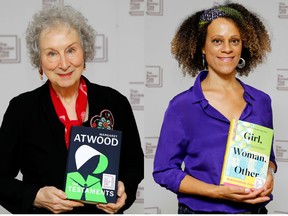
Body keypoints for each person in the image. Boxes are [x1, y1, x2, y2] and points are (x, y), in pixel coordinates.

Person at [0, 5, 144, 214]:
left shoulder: (114, 102)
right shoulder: (22, 109)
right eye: (52, 54)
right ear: (39, 61)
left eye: (71, 50)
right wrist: (35, 196)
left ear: (84, 52)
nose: (64, 63)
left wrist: (124, 190)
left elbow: (133, 166)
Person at [153, 1, 277, 214]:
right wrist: (216, 192)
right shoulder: (182, 106)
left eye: (234, 41)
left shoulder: (261, 102)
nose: (227, 49)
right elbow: (164, 171)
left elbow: (268, 159)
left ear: (243, 45)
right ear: (202, 46)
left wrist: (268, 174)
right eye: (217, 41)